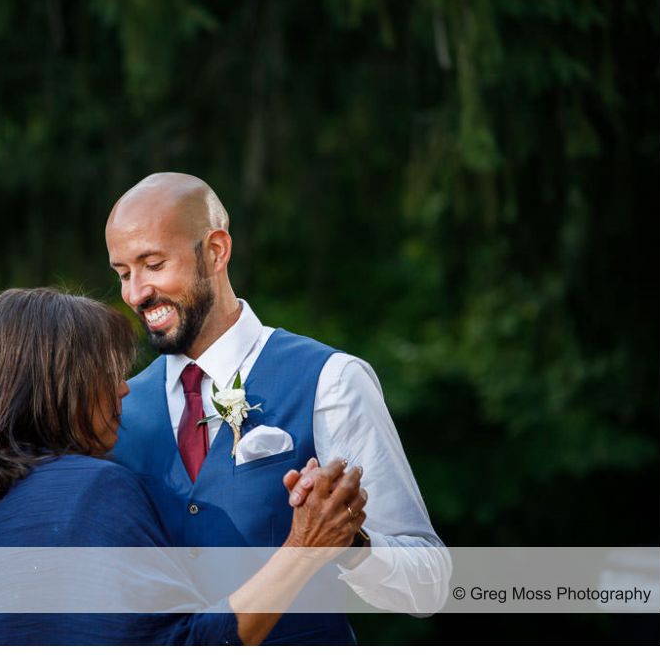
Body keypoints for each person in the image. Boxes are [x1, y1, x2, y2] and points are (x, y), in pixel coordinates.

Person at [106, 172, 452, 644]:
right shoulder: (114, 411)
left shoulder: (331, 379)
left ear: (215, 251)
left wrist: (349, 544)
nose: (135, 293)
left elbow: (428, 584)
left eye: (153, 264)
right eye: (123, 273)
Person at [0, 287, 368, 645]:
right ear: (61, 386)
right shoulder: (95, 490)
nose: (124, 389)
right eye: (106, 372)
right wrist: (304, 547)